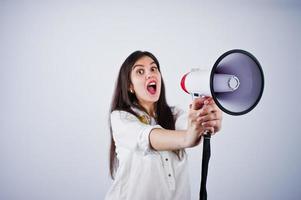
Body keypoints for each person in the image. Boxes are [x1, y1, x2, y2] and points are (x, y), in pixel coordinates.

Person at [105, 51, 223, 200]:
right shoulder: (121, 118)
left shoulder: (175, 115)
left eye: (153, 69)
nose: (150, 74)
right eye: (140, 71)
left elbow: (191, 127)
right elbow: (149, 137)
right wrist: (188, 137)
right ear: (130, 86)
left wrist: (208, 118)